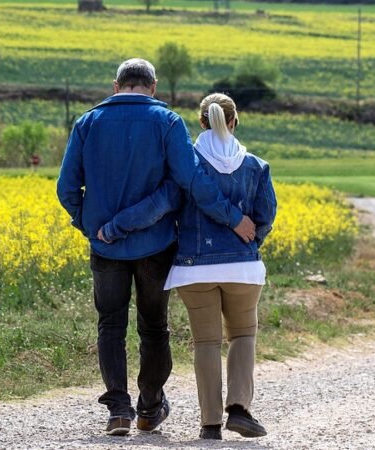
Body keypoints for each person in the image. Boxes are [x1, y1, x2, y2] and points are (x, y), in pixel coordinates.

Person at [56, 59, 257, 436]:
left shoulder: (87, 122)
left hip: (105, 248)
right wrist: (231, 217)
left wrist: (92, 227)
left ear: (116, 86)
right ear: (154, 86)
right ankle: (149, 408)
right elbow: (189, 181)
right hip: (156, 245)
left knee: (110, 325)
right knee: (154, 327)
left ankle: (118, 410)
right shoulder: (167, 123)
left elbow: (66, 188)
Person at [100, 93, 276, 440]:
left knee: (206, 343)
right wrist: (249, 245)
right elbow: (265, 216)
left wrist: (115, 227)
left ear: (201, 123)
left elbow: (159, 204)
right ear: (235, 121)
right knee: (242, 335)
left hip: (193, 270)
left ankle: (210, 424)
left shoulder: (187, 166)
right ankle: (239, 409)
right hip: (243, 269)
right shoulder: (256, 166)